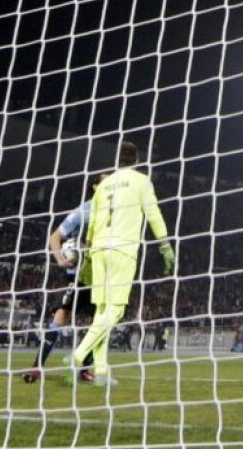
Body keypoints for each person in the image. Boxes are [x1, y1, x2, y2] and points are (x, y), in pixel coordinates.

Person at [67, 141, 174, 387]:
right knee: (116, 310)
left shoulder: (104, 183)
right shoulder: (141, 181)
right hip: (122, 248)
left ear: (118, 160)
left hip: (98, 249)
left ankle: (101, 373)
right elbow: (153, 213)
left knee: (103, 311)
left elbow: (93, 222)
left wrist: (90, 253)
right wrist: (165, 245)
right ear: (136, 160)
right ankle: (79, 354)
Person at [23, 172, 106, 383]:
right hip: (78, 276)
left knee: (102, 322)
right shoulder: (83, 211)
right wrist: (59, 259)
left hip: (101, 276)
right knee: (60, 318)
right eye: (105, 182)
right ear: (95, 187)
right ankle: (36, 367)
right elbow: (55, 237)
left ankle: (83, 369)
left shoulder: (113, 213)